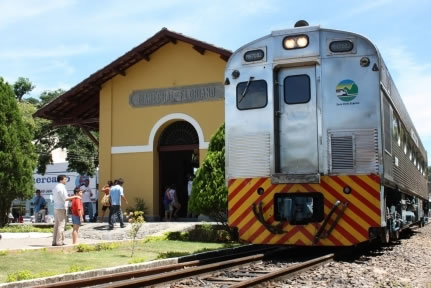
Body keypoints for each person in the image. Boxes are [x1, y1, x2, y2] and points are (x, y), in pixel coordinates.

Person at [52, 175, 80, 246]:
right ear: (61, 180)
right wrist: (75, 196)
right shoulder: (61, 187)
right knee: (61, 225)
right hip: (61, 208)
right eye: (65, 179)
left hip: (56, 207)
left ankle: (54, 241)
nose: (66, 180)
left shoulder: (56, 187)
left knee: (57, 225)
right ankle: (59, 242)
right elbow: (66, 198)